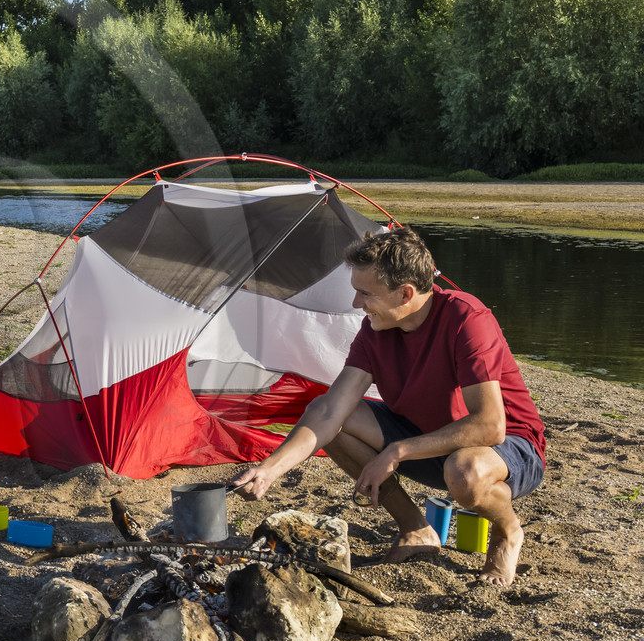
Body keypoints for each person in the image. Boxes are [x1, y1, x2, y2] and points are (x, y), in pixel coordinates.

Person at [230, 226, 545, 586]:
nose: (355, 304)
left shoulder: (466, 319)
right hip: (428, 441)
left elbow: (490, 426)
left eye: (365, 293)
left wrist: (397, 451)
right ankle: (416, 529)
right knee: (333, 419)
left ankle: (507, 532)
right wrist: (269, 470)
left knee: (465, 471)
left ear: (405, 293)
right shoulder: (374, 330)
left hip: (508, 448)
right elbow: (331, 410)